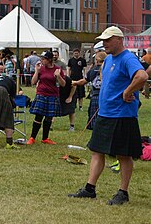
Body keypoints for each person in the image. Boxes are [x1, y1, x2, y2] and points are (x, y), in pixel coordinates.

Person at [69, 26, 147, 205]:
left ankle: (123, 192)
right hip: (105, 114)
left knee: (123, 155)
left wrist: (128, 91)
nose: (104, 44)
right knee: (97, 150)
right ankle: (90, 188)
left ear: (119, 40)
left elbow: (142, 76)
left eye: (108, 40)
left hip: (122, 115)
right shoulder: (109, 59)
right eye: (103, 40)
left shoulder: (128, 58)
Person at [26, 50, 65, 145]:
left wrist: (58, 76)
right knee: (38, 117)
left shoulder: (58, 69)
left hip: (52, 95)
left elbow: (63, 84)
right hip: (41, 94)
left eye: (44, 59)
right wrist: (36, 71)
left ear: (50, 60)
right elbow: (33, 82)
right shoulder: (41, 69)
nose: (42, 60)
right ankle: (32, 138)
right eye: (42, 58)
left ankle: (45, 138)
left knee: (48, 118)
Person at [73, 51, 106, 130]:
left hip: (96, 95)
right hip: (107, 96)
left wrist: (74, 82)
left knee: (94, 116)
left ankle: (95, 128)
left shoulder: (93, 70)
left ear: (97, 60)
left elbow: (84, 81)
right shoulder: (110, 68)